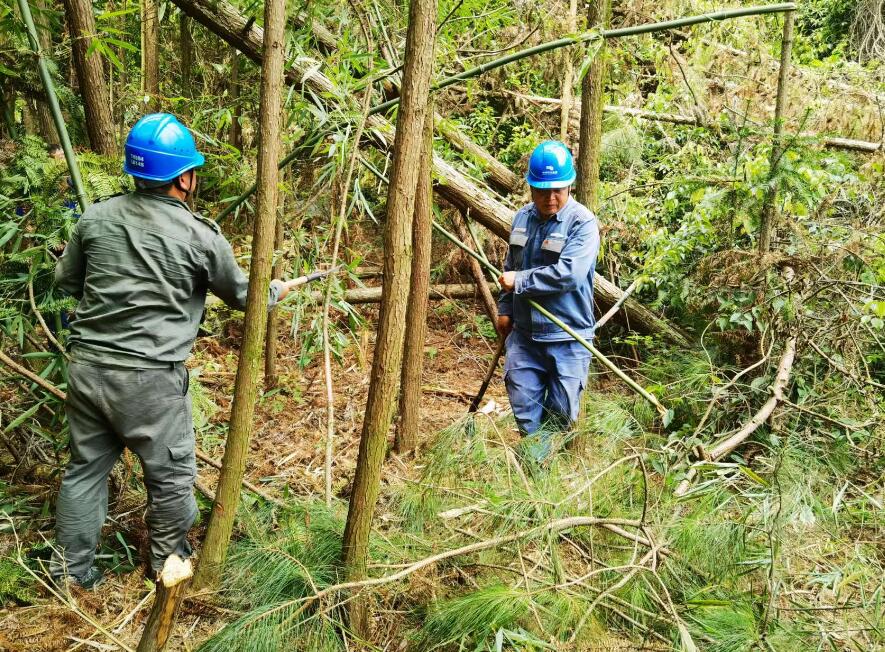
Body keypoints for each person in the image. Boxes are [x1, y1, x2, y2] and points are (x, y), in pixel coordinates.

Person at [51, 113, 300, 589]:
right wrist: (275, 290)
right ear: (184, 176)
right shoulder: (200, 235)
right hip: (149, 381)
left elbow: (65, 280)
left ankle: (71, 575)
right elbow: (244, 296)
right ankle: (167, 564)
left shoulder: (96, 217)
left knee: (84, 471)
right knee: (170, 476)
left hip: (87, 370)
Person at [496, 140, 600, 464]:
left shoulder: (583, 224)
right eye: (542, 191)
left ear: (569, 184)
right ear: (530, 187)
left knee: (562, 413)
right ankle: (537, 474)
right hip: (525, 337)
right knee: (524, 406)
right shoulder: (521, 219)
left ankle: (544, 468)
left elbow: (568, 274)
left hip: (568, 336)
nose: (550, 198)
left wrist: (521, 282)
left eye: (558, 190)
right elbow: (509, 267)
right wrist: (505, 308)